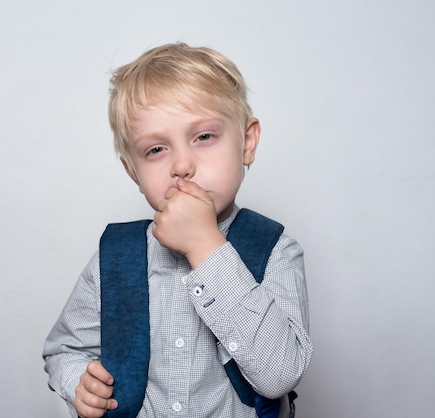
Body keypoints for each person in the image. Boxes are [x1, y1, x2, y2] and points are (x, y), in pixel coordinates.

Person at [43, 42, 313, 418]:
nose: (182, 165)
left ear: (247, 142)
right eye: (156, 150)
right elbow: (65, 350)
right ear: (132, 172)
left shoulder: (276, 251)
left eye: (204, 137)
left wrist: (206, 245)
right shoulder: (116, 257)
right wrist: (79, 384)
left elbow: (279, 375)